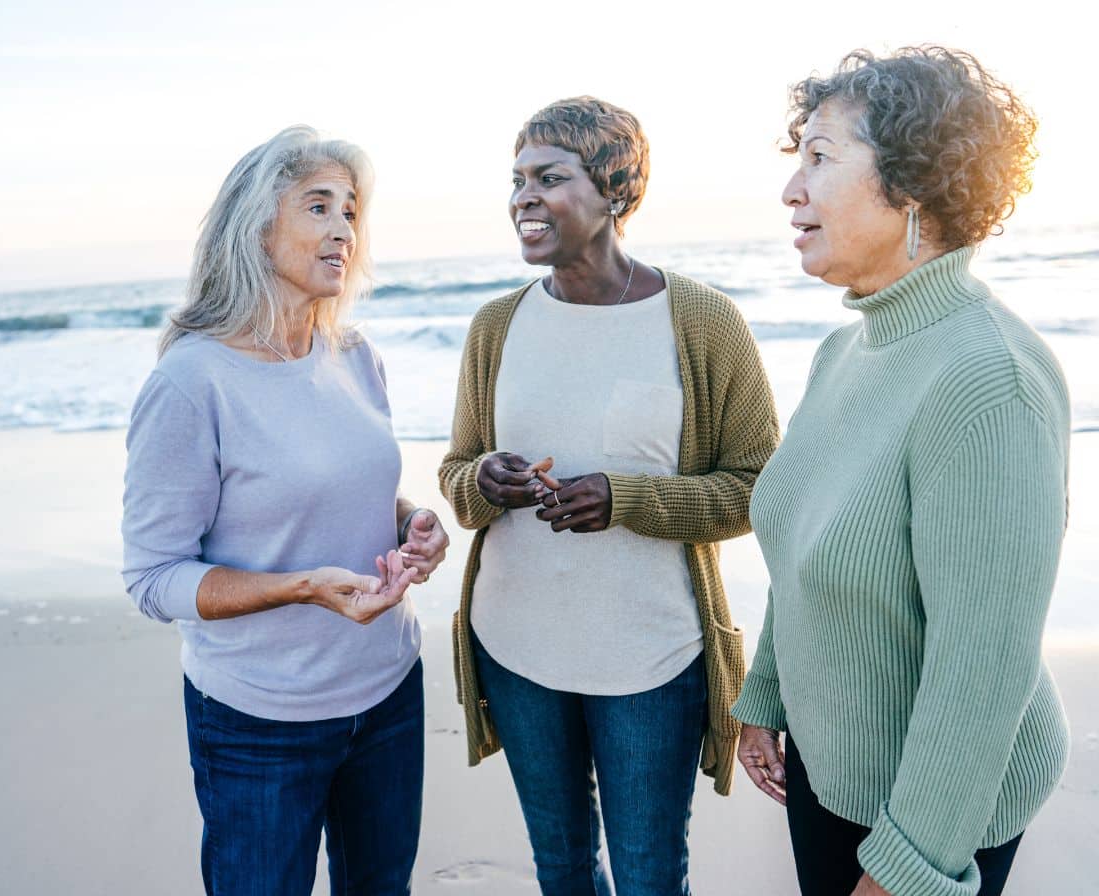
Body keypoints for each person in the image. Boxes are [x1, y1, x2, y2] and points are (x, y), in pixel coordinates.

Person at [731, 47, 1069, 896]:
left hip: (932, 810)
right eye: (795, 157)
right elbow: (802, 542)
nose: (791, 190)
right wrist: (765, 696)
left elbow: (980, 669)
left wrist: (908, 869)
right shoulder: (844, 348)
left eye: (821, 157)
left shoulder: (988, 381)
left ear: (913, 185)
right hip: (827, 769)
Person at [438, 96, 779, 896]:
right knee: (561, 870)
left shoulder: (702, 321)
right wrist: (483, 481)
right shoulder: (496, 325)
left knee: (650, 876)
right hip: (515, 647)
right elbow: (456, 474)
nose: (523, 195)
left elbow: (758, 487)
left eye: (549, 177)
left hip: (651, 660)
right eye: (517, 179)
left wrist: (625, 499)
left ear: (615, 191)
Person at [121, 125, 449, 895]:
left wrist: (409, 526)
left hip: (388, 692)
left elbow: (341, 489)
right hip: (258, 722)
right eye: (319, 207)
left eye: (352, 211)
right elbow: (154, 578)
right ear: (257, 227)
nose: (343, 228)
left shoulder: (354, 355)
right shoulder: (191, 383)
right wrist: (302, 587)